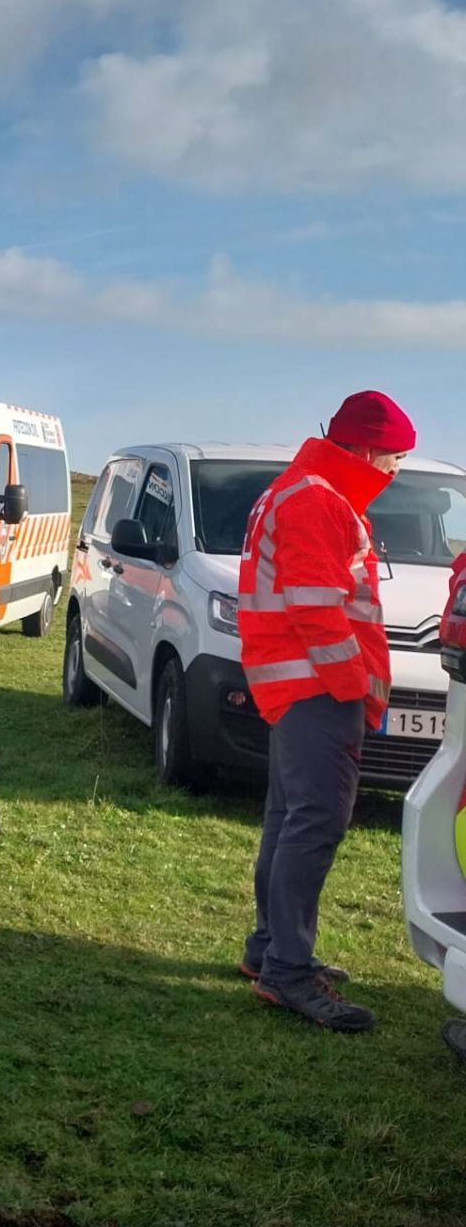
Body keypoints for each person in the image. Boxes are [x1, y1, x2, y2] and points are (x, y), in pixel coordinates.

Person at [237, 390, 414, 1033]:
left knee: (289, 820)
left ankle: (270, 951)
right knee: (314, 825)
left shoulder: (299, 489)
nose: (395, 471)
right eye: (394, 458)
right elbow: (316, 608)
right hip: (318, 688)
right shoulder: (317, 498)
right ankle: (287, 970)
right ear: (365, 449)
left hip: (296, 685)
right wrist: (354, 687)